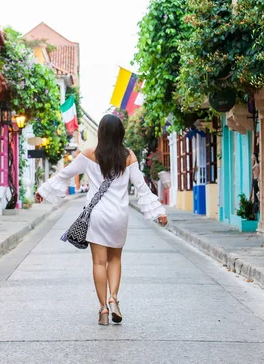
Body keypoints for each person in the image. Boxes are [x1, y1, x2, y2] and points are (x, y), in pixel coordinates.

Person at [35, 114, 168, 326]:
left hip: (96, 215)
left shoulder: (89, 154)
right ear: (121, 133)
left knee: (99, 261)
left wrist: (43, 190)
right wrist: (159, 211)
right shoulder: (129, 156)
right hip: (119, 216)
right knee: (115, 259)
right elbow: (142, 187)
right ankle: (114, 297)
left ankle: (103, 308)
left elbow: (64, 174)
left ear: (101, 132)